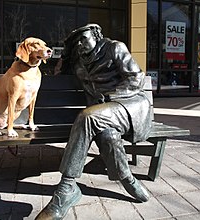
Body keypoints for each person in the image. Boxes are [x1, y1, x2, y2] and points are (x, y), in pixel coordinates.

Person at [36, 24, 152, 220]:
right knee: (108, 135)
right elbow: (60, 76)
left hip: (129, 105)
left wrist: (110, 98)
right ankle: (127, 178)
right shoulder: (79, 62)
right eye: (77, 42)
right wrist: (65, 55)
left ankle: (65, 190)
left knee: (87, 117)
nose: (81, 44)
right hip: (103, 115)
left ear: (97, 35)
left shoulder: (115, 48)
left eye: (84, 38)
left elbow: (135, 78)